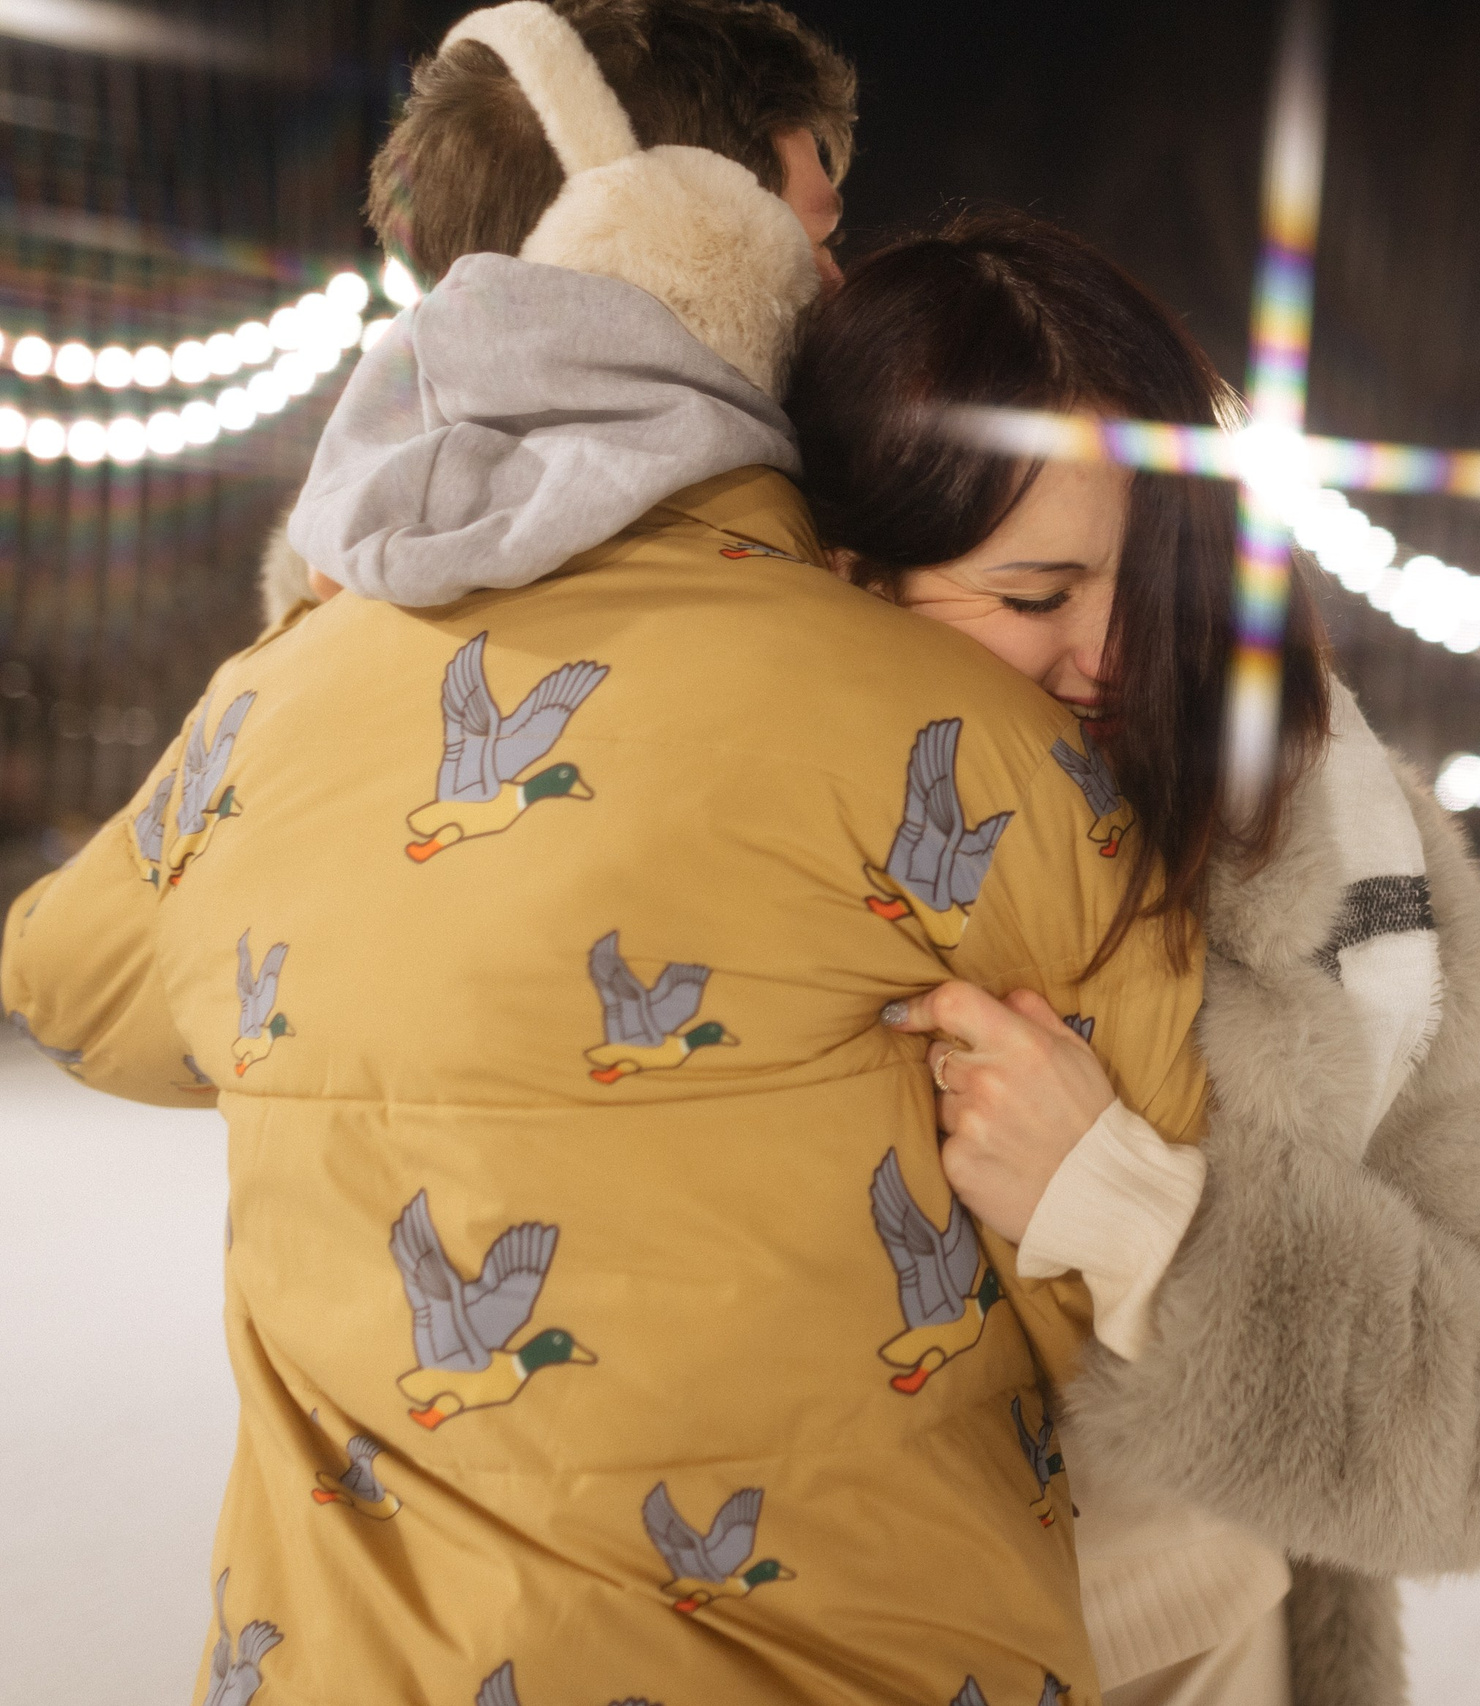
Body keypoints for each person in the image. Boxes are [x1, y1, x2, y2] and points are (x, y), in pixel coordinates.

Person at [3, 8, 1207, 1702]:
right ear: (677, 239)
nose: (838, 289)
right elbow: (1196, 1298)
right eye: (812, 231)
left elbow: (71, 984)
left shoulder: (267, 715)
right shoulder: (979, 741)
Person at [785, 209, 1480, 1706]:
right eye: (1035, 596)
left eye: (1154, 579)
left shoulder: (1339, 853)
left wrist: (1144, 1220)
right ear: (854, 574)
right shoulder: (735, 836)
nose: (1117, 653)